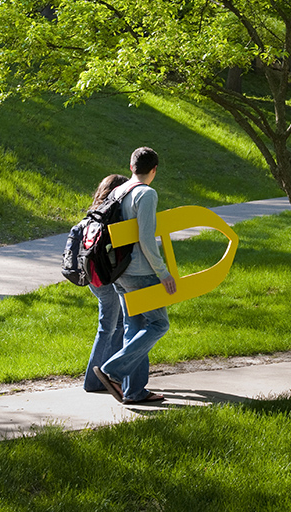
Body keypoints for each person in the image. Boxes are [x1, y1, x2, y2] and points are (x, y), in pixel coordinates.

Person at [95, 147, 177, 404]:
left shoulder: (119, 191)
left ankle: (134, 391)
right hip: (141, 272)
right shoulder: (147, 193)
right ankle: (113, 371)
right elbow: (146, 238)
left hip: (119, 271)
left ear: (131, 167)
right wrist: (163, 272)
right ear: (154, 170)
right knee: (159, 324)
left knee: (135, 326)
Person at [83, 174, 129, 392]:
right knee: (108, 326)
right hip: (106, 278)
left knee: (117, 324)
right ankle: (93, 381)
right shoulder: (111, 215)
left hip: (94, 277)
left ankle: (108, 376)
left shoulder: (94, 213)